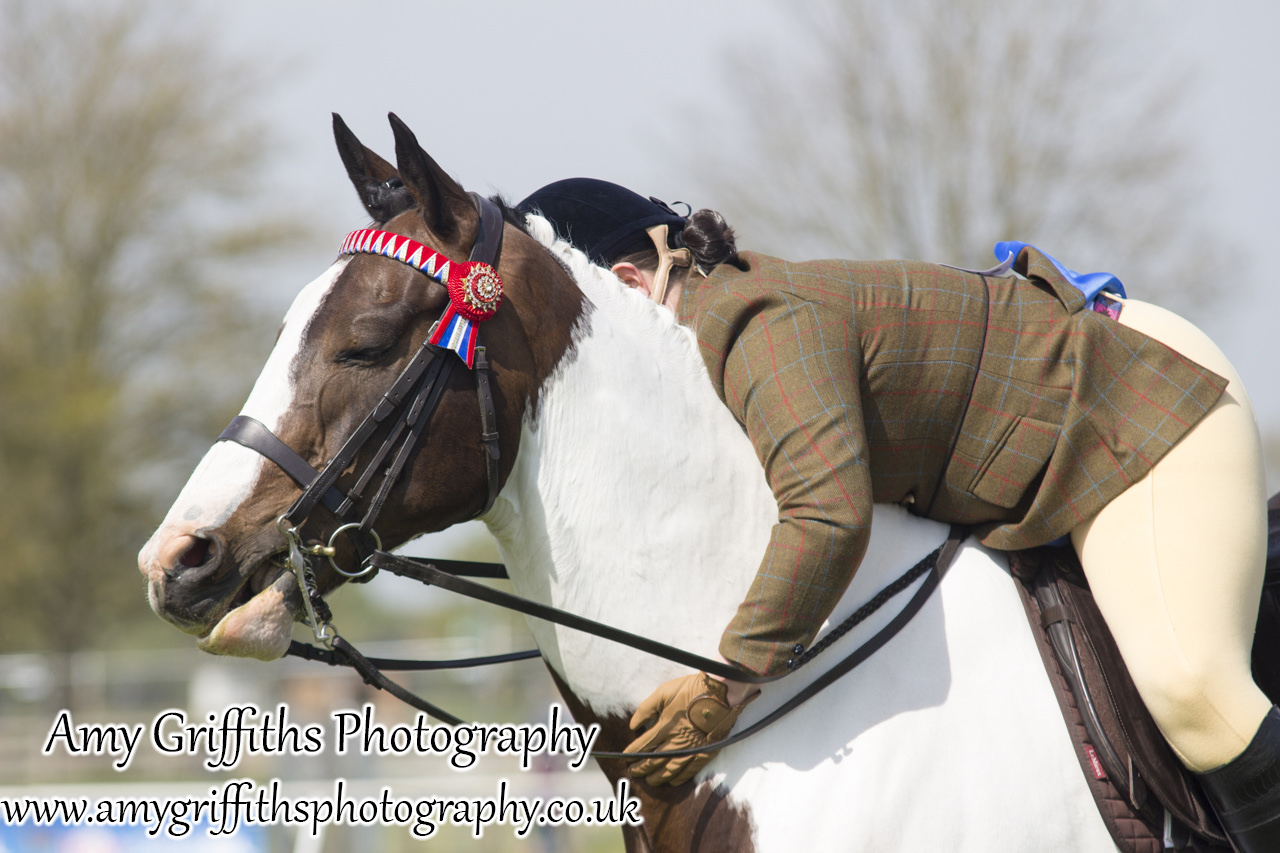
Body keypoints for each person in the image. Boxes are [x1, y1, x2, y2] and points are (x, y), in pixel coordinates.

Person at [516, 178, 1277, 849]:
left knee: (1193, 692)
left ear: (627, 283)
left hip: (1144, 403)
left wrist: (725, 685)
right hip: (1045, 463)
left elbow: (827, 517)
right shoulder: (722, 353)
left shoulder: (754, 330)